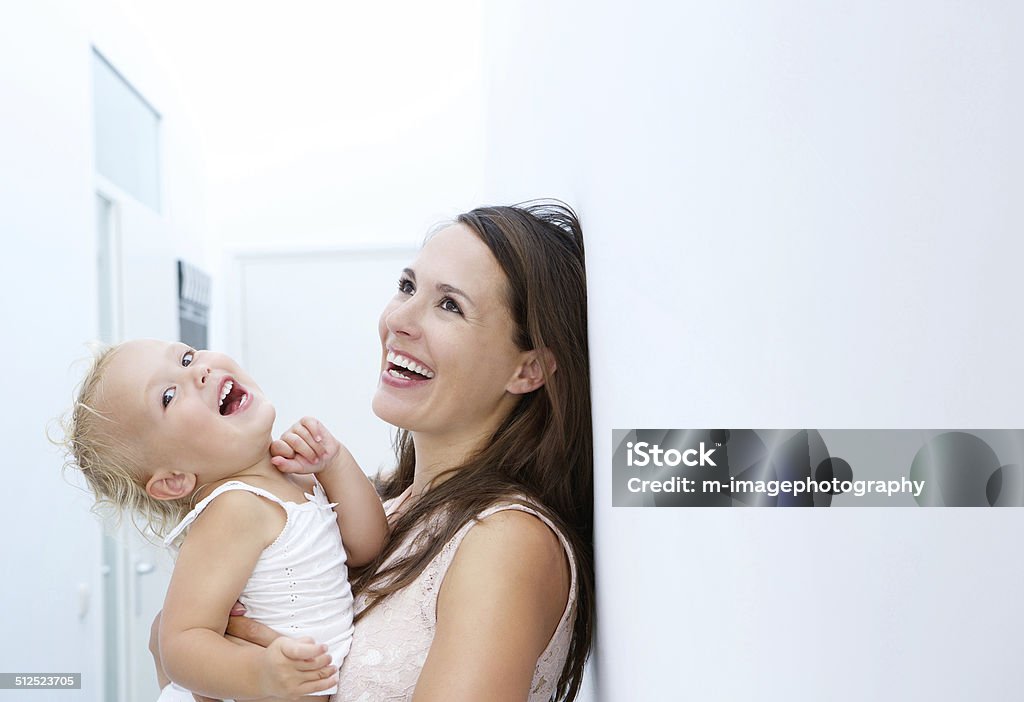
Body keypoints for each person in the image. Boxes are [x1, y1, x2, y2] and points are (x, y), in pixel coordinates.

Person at [230, 201, 596, 701]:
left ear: (528, 369)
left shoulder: (506, 540)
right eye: (407, 286)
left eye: (450, 305)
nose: (398, 320)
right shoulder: (381, 509)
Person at [64, 339, 389, 701]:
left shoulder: (295, 474)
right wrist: (259, 675)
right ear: (174, 479)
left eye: (186, 357)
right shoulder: (235, 508)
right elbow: (180, 643)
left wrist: (336, 464)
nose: (198, 371)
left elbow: (367, 546)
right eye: (169, 396)